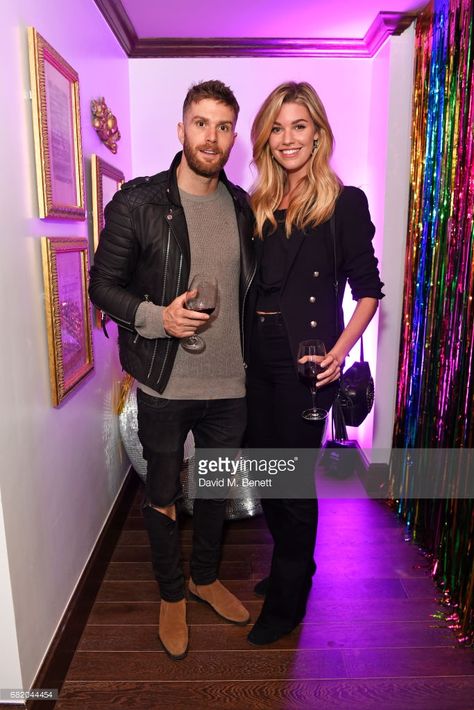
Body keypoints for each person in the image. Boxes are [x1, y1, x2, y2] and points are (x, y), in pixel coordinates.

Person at [89, 80, 256, 660]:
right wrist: (160, 317)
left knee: (214, 489)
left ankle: (204, 578)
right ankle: (169, 593)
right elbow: (101, 286)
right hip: (163, 379)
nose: (212, 136)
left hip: (230, 383)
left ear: (234, 136)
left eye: (224, 126)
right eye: (201, 123)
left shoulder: (241, 205)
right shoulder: (138, 202)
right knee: (162, 490)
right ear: (181, 129)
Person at [244, 81, 384, 645]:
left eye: (298, 126)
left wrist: (340, 350)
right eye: (276, 128)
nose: (287, 138)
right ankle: (293, 566)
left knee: (293, 481)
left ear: (319, 132)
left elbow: (369, 290)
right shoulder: (256, 205)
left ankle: (288, 602)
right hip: (256, 356)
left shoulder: (343, 202)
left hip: (308, 361)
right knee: (265, 470)